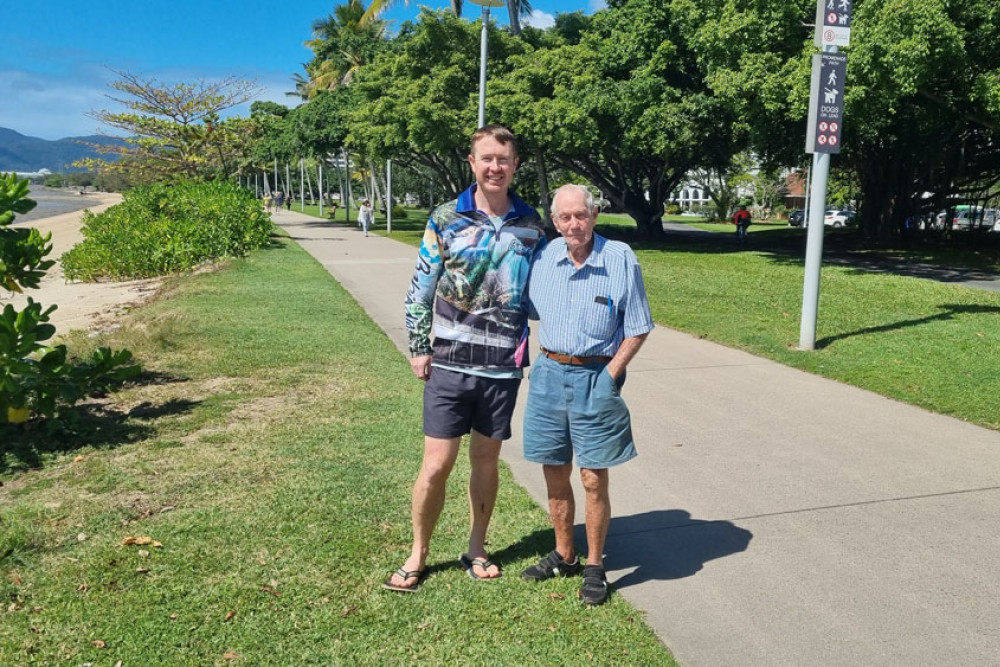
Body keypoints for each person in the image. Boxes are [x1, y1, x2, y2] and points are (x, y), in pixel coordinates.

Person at [383, 125, 547, 593]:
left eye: (504, 159)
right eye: (487, 158)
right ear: (471, 162)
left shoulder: (533, 224)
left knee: (486, 463)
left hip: (501, 367)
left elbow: (540, 292)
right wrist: (418, 347)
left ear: (515, 166)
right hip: (450, 362)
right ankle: (418, 552)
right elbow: (421, 288)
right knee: (436, 463)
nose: (495, 167)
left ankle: (477, 546)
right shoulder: (445, 218)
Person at [520, 183, 653, 606]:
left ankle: (594, 564)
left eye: (581, 215)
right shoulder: (543, 258)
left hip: (597, 373)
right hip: (547, 373)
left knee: (593, 478)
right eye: (564, 217)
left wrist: (611, 374)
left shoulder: (619, 258)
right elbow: (526, 310)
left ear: (594, 215)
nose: (573, 225)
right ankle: (565, 553)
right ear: (554, 220)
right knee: (554, 469)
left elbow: (638, 325)